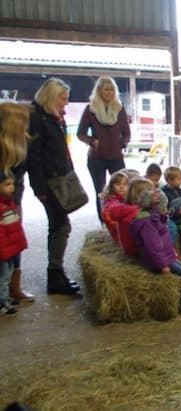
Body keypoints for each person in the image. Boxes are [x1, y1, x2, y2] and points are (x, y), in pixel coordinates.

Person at [27, 78, 80, 295]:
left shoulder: (55, 118)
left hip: (60, 177)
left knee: (57, 226)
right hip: (49, 182)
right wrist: (39, 188)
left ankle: (55, 275)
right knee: (61, 226)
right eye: (63, 98)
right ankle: (55, 274)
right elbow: (34, 156)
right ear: (51, 96)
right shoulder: (37, 119)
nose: (66, 103)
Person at [128, 183, 181, 316]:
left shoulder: (154, 219)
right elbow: (153, 248)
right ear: (156, 207)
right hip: (158, 260)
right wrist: (163, 265)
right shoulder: (148, 224)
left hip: (166, 256)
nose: (166, 208)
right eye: (165, 206)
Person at [77, 77, 131, 222]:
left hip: (116, 157)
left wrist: (122, 144)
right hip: (97, 158)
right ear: (99, 91)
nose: (109, 93)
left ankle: (120, 221)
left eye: (112, 89)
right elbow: (80, 133)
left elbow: (126, 132)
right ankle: (104, 223)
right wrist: (92, 141)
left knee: (122, 190)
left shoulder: (120, 108)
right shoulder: (90, 109)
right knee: (101, 192)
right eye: (106, 89)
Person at [0, 102, 35, 302]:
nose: (27, 126)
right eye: (23, 122)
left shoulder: (23, 143)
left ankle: (14, 287)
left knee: (14, 235)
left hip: (14, 196)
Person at [0, 170, 27, 315]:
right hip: (3, 249)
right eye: (7, 184)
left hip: (10, 248)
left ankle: (6, 297)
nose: (12, 187)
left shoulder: (9, 203)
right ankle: (2, 303)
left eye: (12, 184)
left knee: (8, 273)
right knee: (3, 276)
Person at [100, 170, 129, 243]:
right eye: (118, 184)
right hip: (120, 236)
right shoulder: (111, 201)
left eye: (125, 184)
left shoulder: (122, 198)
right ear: (111, 187)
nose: (122, 187)